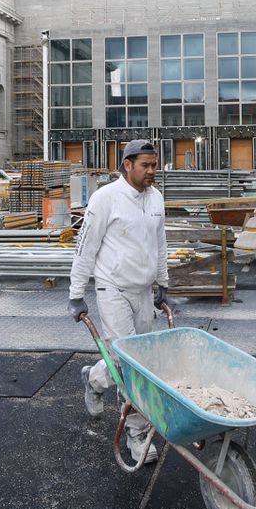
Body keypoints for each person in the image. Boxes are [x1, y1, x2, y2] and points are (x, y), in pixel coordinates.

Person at [69, 139, 171, 466]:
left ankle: (95, 378)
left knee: (137, 358)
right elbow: (85, 249)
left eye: (155, 165)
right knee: (132, 365)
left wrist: (163, 284)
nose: (152, 171)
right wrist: (75, 293)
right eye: (146, 165)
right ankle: (137, 435)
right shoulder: (105, 199)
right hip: (112, 289)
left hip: (142, 291)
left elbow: (160, 244)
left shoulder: (155, 198)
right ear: (127, 165)